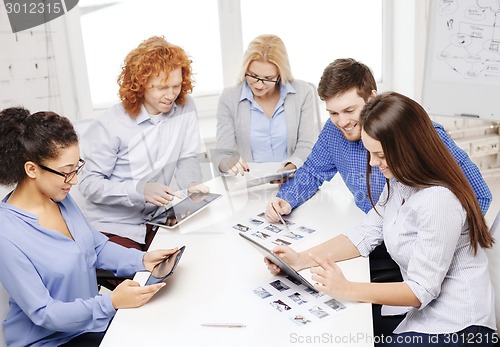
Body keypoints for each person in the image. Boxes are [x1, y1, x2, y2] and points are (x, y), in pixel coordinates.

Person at [265, 92, 496, 345]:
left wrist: (346, 288)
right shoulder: (399, 181)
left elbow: (421, 290)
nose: (374, 164)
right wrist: (300, 259)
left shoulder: (438, 200)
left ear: (410, 149)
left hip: (458, 328)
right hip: (422, 314)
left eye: (382, 156)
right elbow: (365, 233)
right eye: (370, 153)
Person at [0, 107, 177, 347]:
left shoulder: (59, 197)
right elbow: (44, 312)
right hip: (50, 342)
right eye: (66, 173)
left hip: (89, 327)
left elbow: (96, 246)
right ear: (32, 169)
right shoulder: (7, 234)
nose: (74, 180)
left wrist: (143, 260)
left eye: (76, 168)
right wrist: (111, 302)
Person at [266, 58, 491, 220]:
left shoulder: (422, 133)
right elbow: (313, 171)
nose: (342, 122)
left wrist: (443, 239)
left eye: (349, 110)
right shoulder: (333, 132)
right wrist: (285, 200)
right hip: (373, 231)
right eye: (333, 113)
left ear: (372, 97)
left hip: (419, 242)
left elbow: (479, 196)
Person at [79, 36, 207, 252]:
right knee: (147, 279)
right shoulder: (111, 125)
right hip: (113, 228)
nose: (171, 95)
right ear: (140, 84)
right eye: (161, 88)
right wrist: (139, 191)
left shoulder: (185, 107)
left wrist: (191, 185)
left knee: (194, 262)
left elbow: (187, 157)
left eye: (176, 86)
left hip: (156, 219)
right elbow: (88, 184)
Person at [214, 34, 317, 176]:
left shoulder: (302, 92)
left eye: (268, 79)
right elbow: (223, 153)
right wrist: (228, 162)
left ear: (280, 74)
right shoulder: (229, 97)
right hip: (249, 183)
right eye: (253, 75)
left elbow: (306, 145)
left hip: (292, 178)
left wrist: (289, 170)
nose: (259, 85)